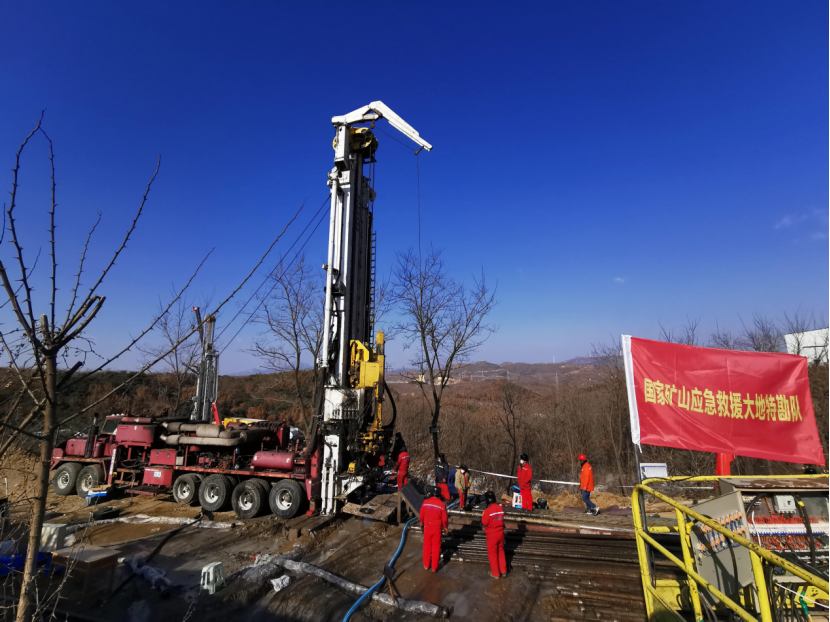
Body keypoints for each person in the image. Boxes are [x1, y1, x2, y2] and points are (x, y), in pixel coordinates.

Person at [419, 486, 448, 572]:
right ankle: (434, 567)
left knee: (427, 546)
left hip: (427, 527)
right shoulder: (442, 505)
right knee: (436, 547)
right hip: (437, 529)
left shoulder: (425, 502)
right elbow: (445, 519)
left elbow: (421, 515)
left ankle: (426, 565)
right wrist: (445, 527)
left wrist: (421, 523)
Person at [480, 490, 507, 578]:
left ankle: (495, 573)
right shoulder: (500, 508)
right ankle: (503, 571)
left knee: (493, 554)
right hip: (500, 533)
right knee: (501, 552)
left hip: (492, 535)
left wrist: (483, 514)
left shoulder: (487, 511)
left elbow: (484, 522)